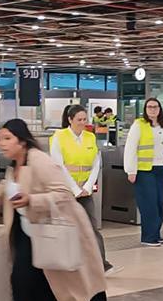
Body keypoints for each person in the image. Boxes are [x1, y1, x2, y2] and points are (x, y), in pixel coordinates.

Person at [0, 119, 107, 301]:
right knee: (20, 280)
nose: (2, 143)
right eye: (1, 139)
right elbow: (10, 185)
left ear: (22, 141)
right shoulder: (15, 165)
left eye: (8, 138)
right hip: (28, 231)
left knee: (73, 282)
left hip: (55, 231)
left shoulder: (39, 160)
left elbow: (63, 193)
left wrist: (33, 200)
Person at [51, 104, 119, 275]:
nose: (83, 122)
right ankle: (64, 263)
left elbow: (96, 163)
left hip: (85, 191)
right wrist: (75, 189)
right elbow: (59, 166)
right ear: (70, 120)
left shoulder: (90, 137)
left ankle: (102, 264)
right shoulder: (59, 137)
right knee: (66, 228)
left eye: (84, 119)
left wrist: (88, 186)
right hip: (66, 190)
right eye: (79, 119)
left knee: (91, 228)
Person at [124, 98, 163, 246]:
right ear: (145, 109)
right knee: (149, 204)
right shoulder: (139, 125)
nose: (152, 109)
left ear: (160, 109)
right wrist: (130, 170)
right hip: (145, 169)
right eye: (149, 107)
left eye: (155, 107)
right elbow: (131, 148)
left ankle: (156, 234)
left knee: (158, 203)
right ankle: (148, 237)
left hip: (162, 168)